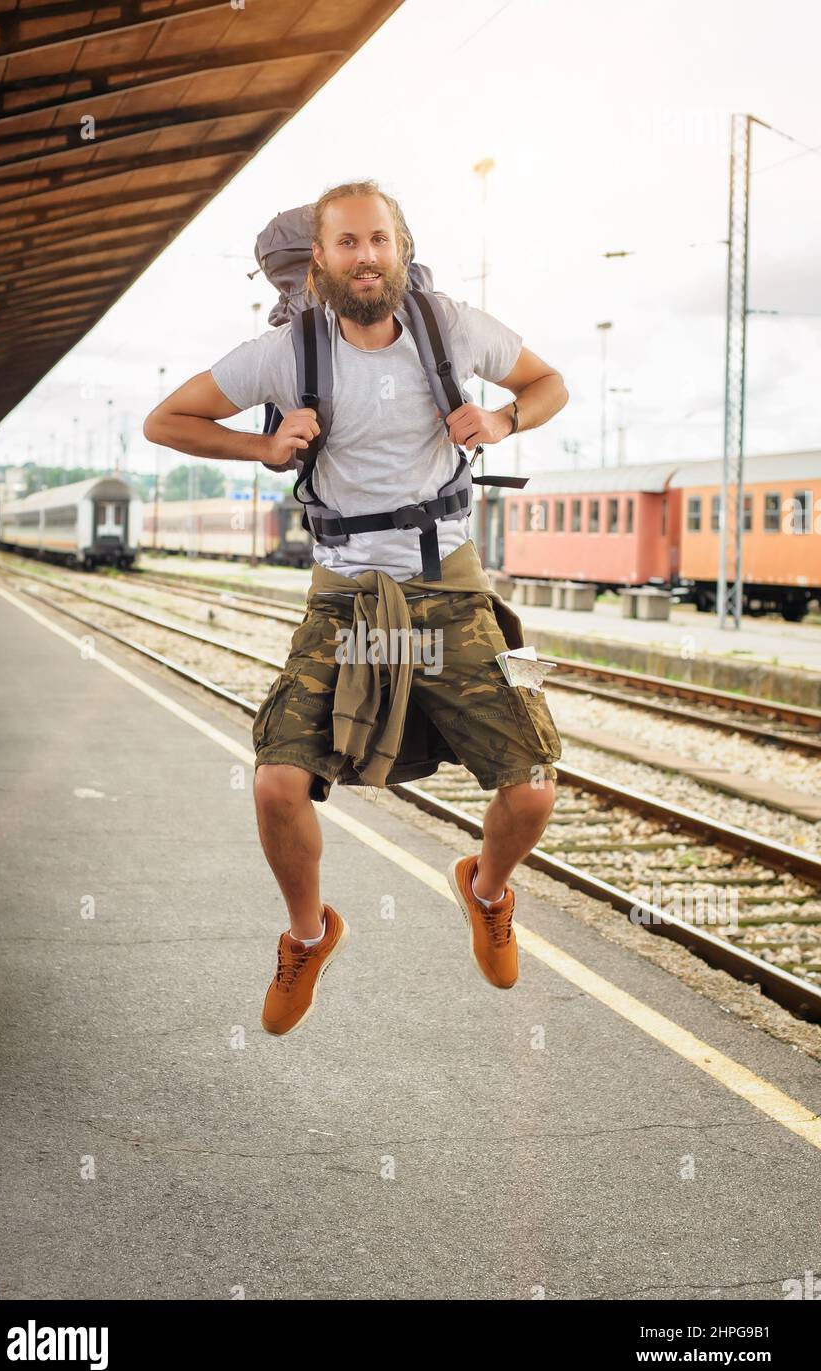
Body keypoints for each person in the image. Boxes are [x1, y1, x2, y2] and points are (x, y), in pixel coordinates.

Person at [143, 179, 569, 1035]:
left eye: (379, 240)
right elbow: (167, 420)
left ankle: (486, 891)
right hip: (343, 600)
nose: (365, 257)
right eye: (347, 244)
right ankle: (308, 935)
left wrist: (505, 418)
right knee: (274, 783)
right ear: (322, 264)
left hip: (449, 586)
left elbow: (550, 382)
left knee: (533, 788)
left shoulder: (451, 327)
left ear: (401, 248)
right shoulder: (288, 351)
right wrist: (262, 444)